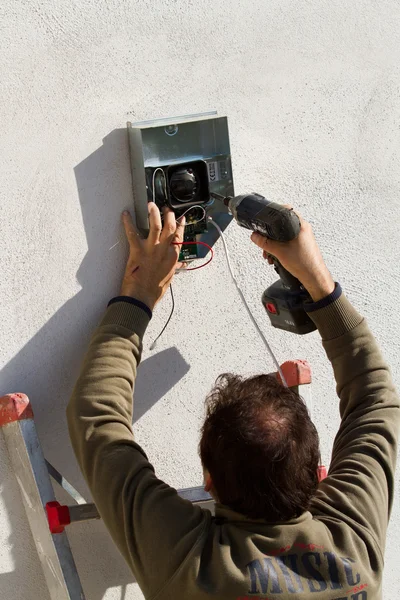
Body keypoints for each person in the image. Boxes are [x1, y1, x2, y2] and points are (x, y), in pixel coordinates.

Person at [67, 202, 399, 600]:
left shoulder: (192, 563)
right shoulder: (353, 549)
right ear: (316, 476)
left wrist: (138, 294)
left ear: (209, 483)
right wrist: (319, 281)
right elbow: (375, 401)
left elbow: (95, 416)